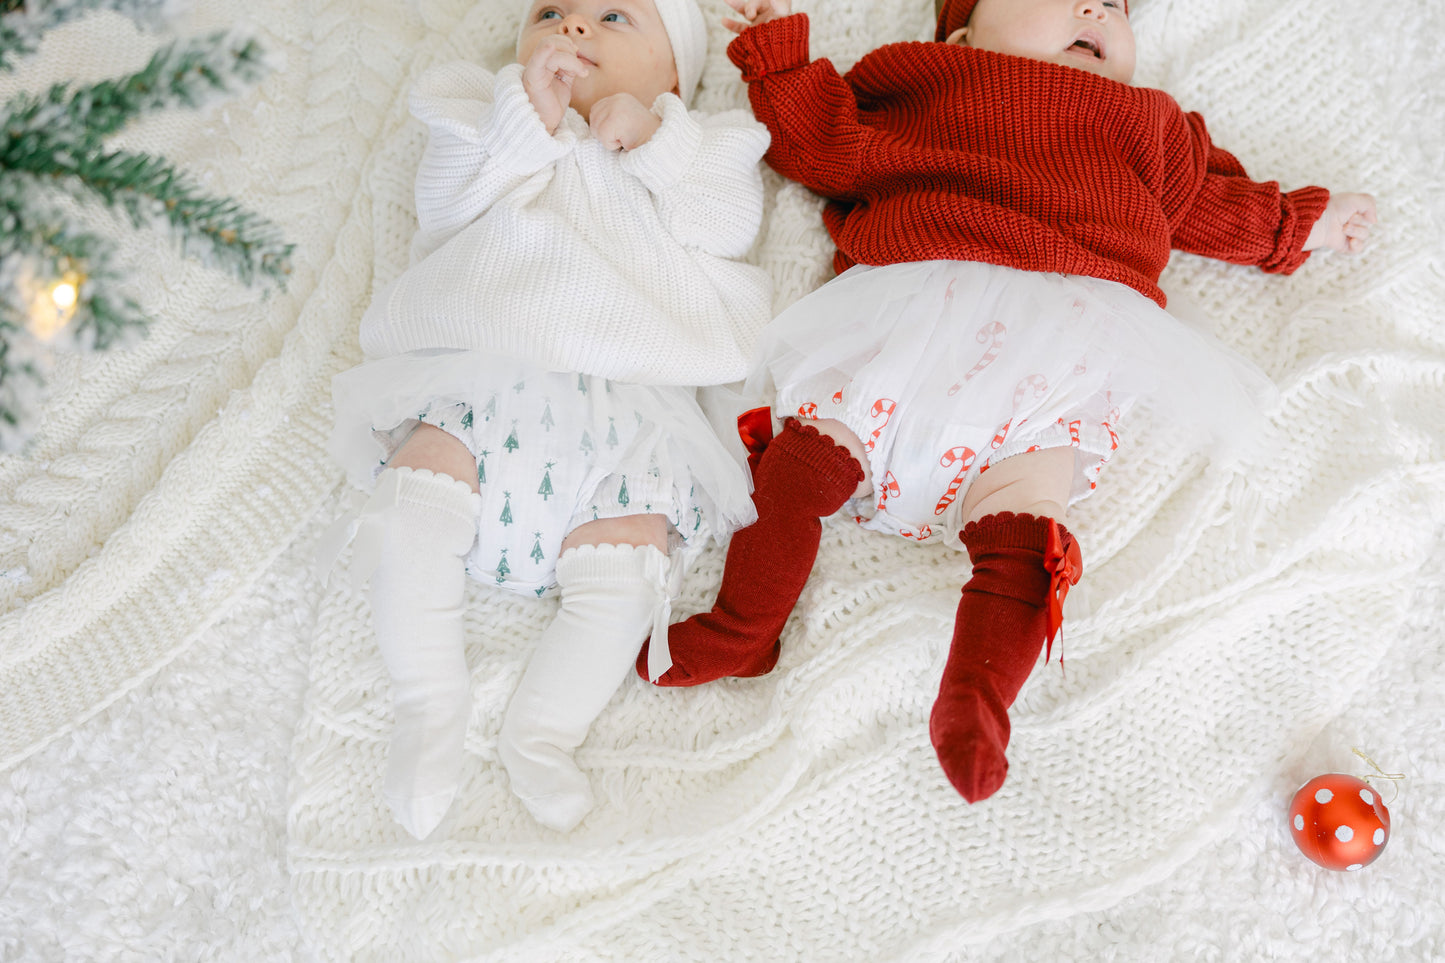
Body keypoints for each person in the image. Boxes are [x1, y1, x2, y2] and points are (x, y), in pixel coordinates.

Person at [637, 0, 1378, 804]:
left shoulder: (1149, 123)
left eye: (1114, 6)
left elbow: (1210, 204)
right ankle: (746, 626)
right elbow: (825, 144)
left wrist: (1302, 223)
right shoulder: (926, 80)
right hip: (912, 306)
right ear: (962, 30)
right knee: (801, 461)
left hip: (1060, 337)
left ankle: (976, 693)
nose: (1095, 9)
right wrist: (777, 56)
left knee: (1029, 509)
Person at [326, 0, 772, 837]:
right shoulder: (489, 114)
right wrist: (522, 120)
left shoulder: (700, 142)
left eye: (613, 16)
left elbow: (727, 225)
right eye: (550, 12)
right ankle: (427, 698)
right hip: (489, 381)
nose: (573, 29)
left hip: (630, 417)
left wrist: (656, 141)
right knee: (414, 490)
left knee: (631, 561)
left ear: (676, 71)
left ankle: (543, 731)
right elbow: (446, 207)